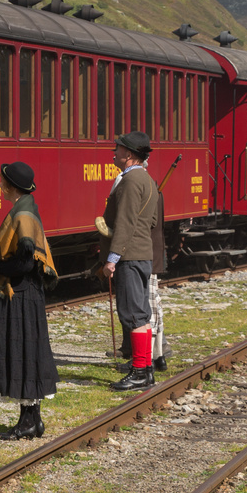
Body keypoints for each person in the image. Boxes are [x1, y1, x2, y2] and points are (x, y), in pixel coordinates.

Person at [0, 161, 59, 439]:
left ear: (10, 186)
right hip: (26, 295)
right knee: (27, 354)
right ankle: (32, 420)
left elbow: (25, 263)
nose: (0, 185)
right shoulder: (25, 207)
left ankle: (29, 422)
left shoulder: (23, 214)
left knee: (24, 355)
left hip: (21, 294)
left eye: (2, 181)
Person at [100, 130, 163, 391]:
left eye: (117, 149)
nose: (114, 153)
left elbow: (125, 223)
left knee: (133, 313)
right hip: (142, 252)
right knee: (141, 312)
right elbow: (151, 221)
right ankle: (145, 367)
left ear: (128, 154)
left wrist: (112, 259)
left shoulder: (128, 182)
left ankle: (139, 371)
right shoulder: (147, 180)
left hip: (129, 256)